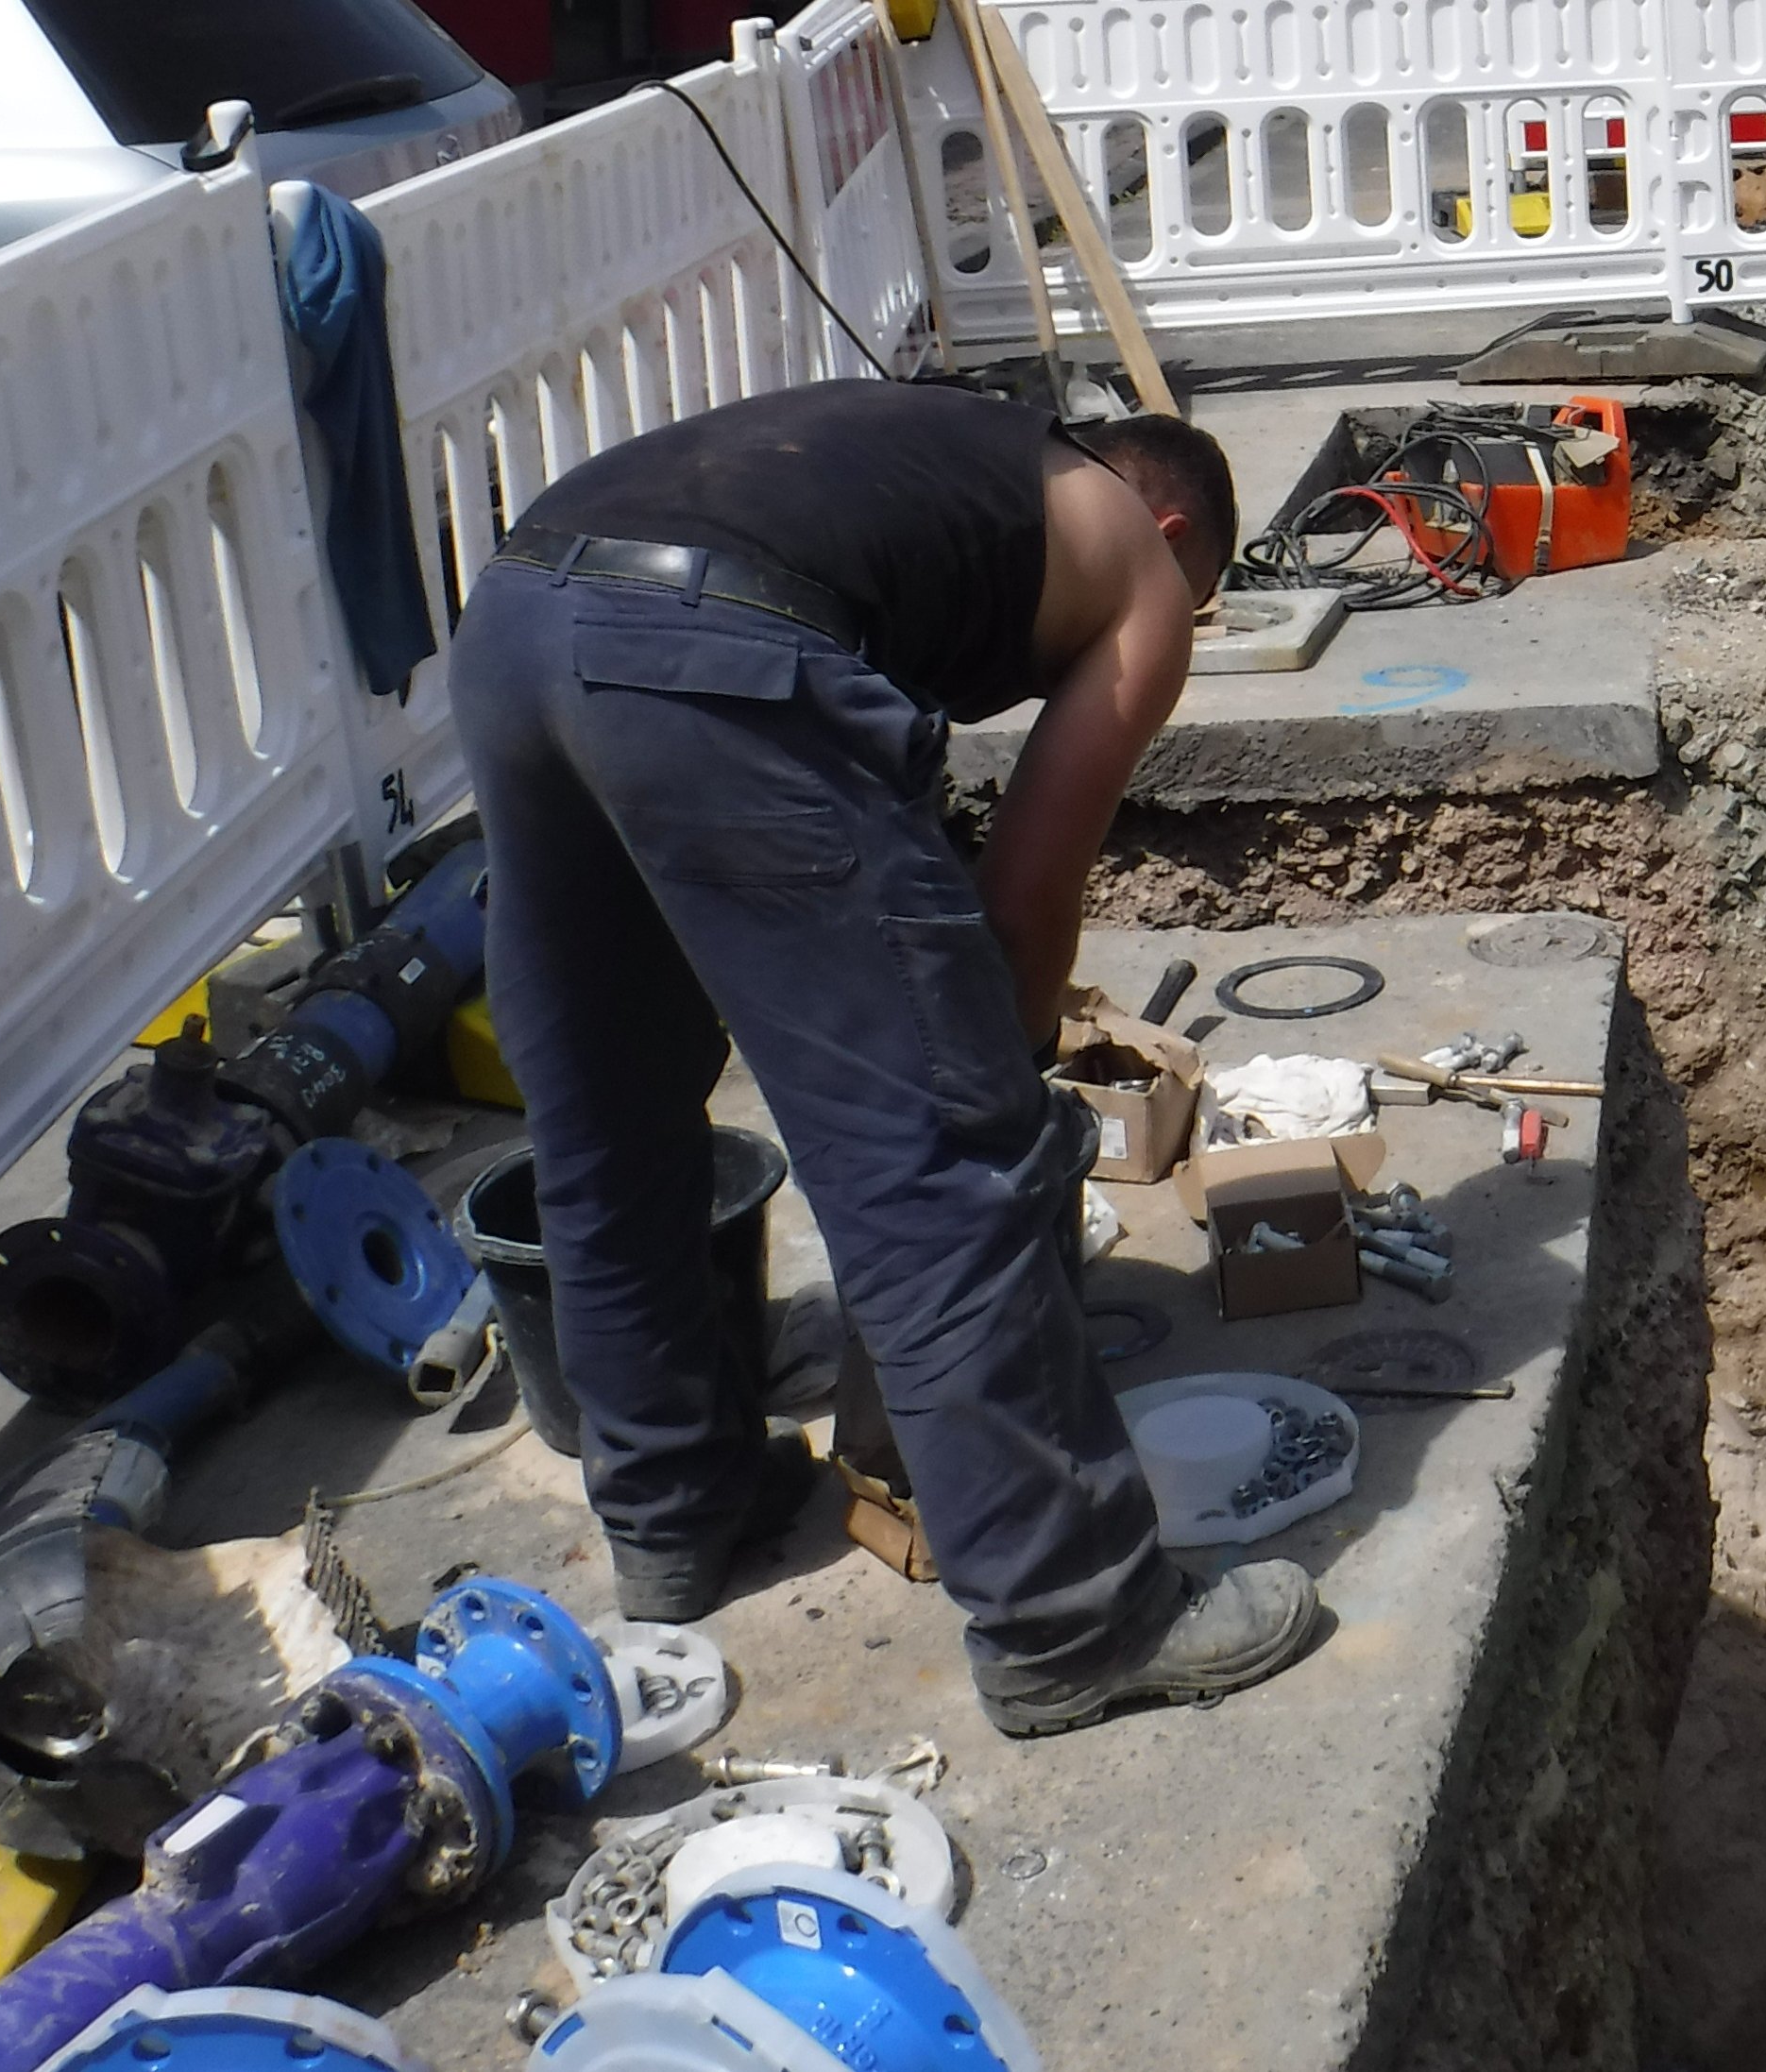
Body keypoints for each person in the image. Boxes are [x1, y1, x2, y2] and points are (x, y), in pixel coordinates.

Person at [450, 379, 1334, 1739]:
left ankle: (678, 1509)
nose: (1190, 617)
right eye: (1202, 590)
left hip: (517, 619)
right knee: (934, 1150)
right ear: (1169, 524)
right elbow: (1024, 903)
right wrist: (1004, 1089)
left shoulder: (935, 468)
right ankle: (1074, 1617)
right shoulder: (1142, 571)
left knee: (608, 1110)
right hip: (710, 646)